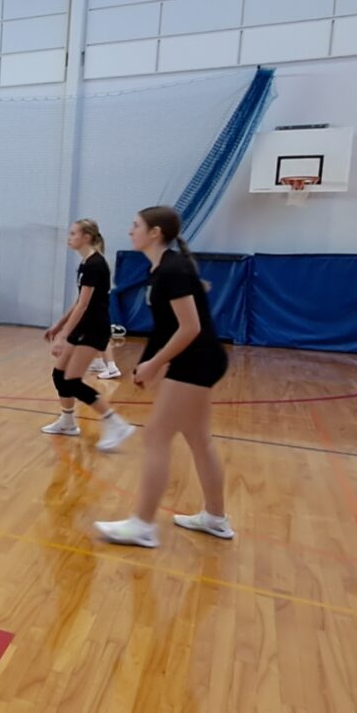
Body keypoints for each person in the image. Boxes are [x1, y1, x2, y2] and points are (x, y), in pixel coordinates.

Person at [95, 205, 232, 548]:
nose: (130, 230)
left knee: (156, 436)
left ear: (155, 232)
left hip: (197, 361)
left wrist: (155, 363)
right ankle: (215, 518)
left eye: (136, 225)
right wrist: (147, 363)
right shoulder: (162, 269)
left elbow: (190, 327)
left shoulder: (173, 269)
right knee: (199, 439)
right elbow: (165, 327)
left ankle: (143, 525)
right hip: (200, 359)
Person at [41, 219, 132, 449]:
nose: (69, 237)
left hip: (94, 328)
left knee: (72, 380)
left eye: (73, 233)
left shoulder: (95, 264)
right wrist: (59, 325)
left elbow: (83, 306)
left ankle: (116, 424)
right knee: (59, 375)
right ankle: (67, 422)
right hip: (82, 326)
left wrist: (63, 337)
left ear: (87, 237)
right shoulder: (86, 263)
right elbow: (79, 301)